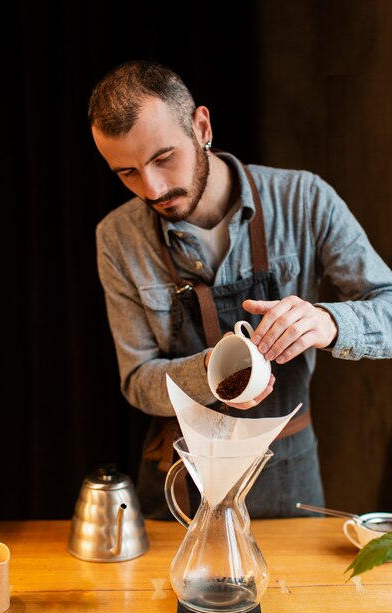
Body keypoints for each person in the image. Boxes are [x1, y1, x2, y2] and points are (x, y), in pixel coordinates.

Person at [88, 60, 392, 519]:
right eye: (126, 173)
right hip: (180, 480)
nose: (152, 189)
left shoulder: (305, 200)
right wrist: (211, 371)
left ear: (202, 126)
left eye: (162, 158)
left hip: (287, 473)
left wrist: (329, 321)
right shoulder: (117, 237)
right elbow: (136, 379)